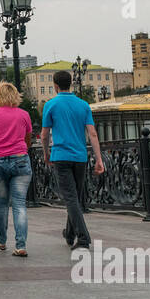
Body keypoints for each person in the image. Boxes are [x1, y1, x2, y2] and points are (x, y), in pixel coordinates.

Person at [40, 69, 104, 250]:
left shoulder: (51, 105)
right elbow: (92, 133)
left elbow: (44, 134)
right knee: (74, 196)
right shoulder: (83, 105)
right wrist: (99, 159)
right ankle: (69, 233)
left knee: (70, 198)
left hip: (61, 156)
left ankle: (83, 238)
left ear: (55, 85)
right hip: (80, 157)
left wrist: (46, 153)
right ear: (71, 84)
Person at [0, 81, 35, 256]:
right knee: (19, 205)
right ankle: (21, 245)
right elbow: (28, 141)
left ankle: (1, 240)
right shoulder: (24, 115)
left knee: (1, 204)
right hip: (20, 160)